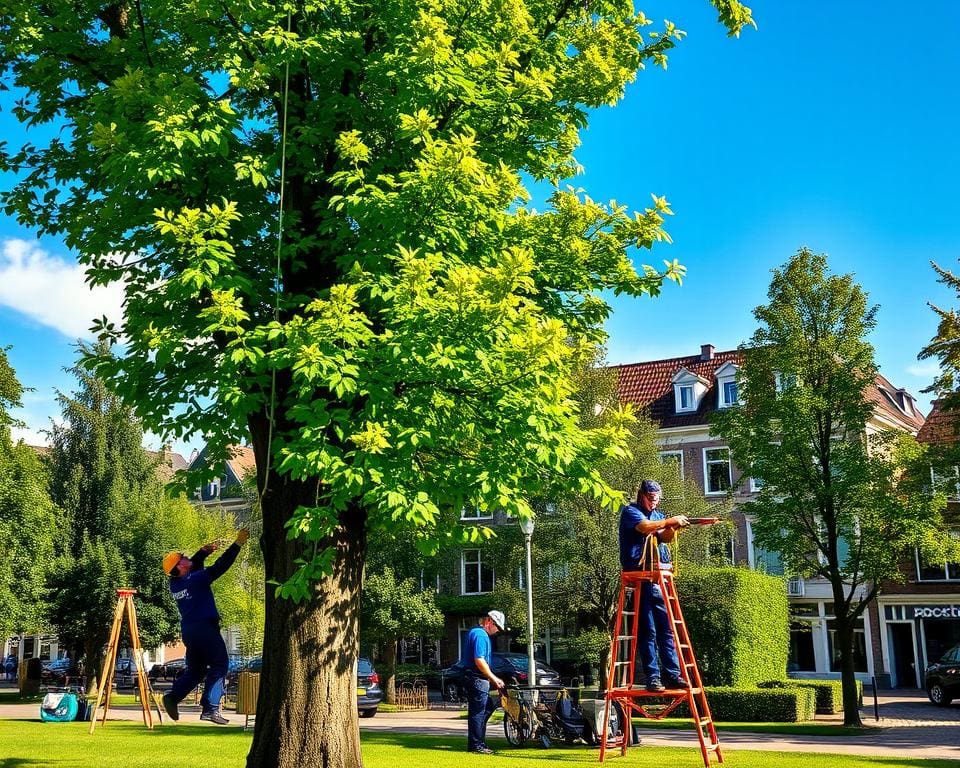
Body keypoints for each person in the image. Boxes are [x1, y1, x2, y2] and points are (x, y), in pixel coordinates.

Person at [160, 527, 249, 725]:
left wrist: (202, 553)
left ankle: (173, 697)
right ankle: (210, 708)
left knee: (196, 670)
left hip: (190, 631)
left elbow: (193, 566)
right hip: (205, 629)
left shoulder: (176, 584)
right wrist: (237, 544)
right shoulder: (195, 580)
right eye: (182, 557)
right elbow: (219, 567)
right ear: (180, 567)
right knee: (220, 665)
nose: (185, 557)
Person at [619, 480, 690, 692]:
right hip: (641, 575)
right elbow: (644, 527)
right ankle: (653, 676)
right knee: (647, 630)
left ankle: (673, 674)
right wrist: (670, 520)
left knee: (667, 630)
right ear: (641, 495)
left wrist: (673, 526)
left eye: (657, 499)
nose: (654, 503)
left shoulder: (659, 516)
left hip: (659, 576)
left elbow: (664, 537)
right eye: (651, 499)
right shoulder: (630, 511)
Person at [460, 610, 507, 753]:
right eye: (497, 626)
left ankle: (478, 741)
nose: (497, 630)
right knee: (478, 712)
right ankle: (476, 745)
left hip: (476, 678)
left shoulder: (476, 633)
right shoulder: (480, 635)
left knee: (486, 707)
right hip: (477, 678)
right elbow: (479, 660)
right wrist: (494, 678)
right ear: (488, 621)